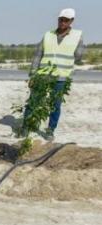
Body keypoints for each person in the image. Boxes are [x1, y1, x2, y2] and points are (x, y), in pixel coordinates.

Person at [25, 8, 85, 139]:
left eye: (66, 20)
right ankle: (26, 127)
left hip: (61, 77)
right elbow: (37, 55)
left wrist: (78, 49)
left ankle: (50, 130)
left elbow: (79, 56)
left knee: (55, 104)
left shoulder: (77, 36)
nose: (62, 22)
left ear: (71, 21)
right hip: (43, 75)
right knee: (34, 101)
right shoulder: (48, 35)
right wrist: (33, 74)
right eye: (61, 19)